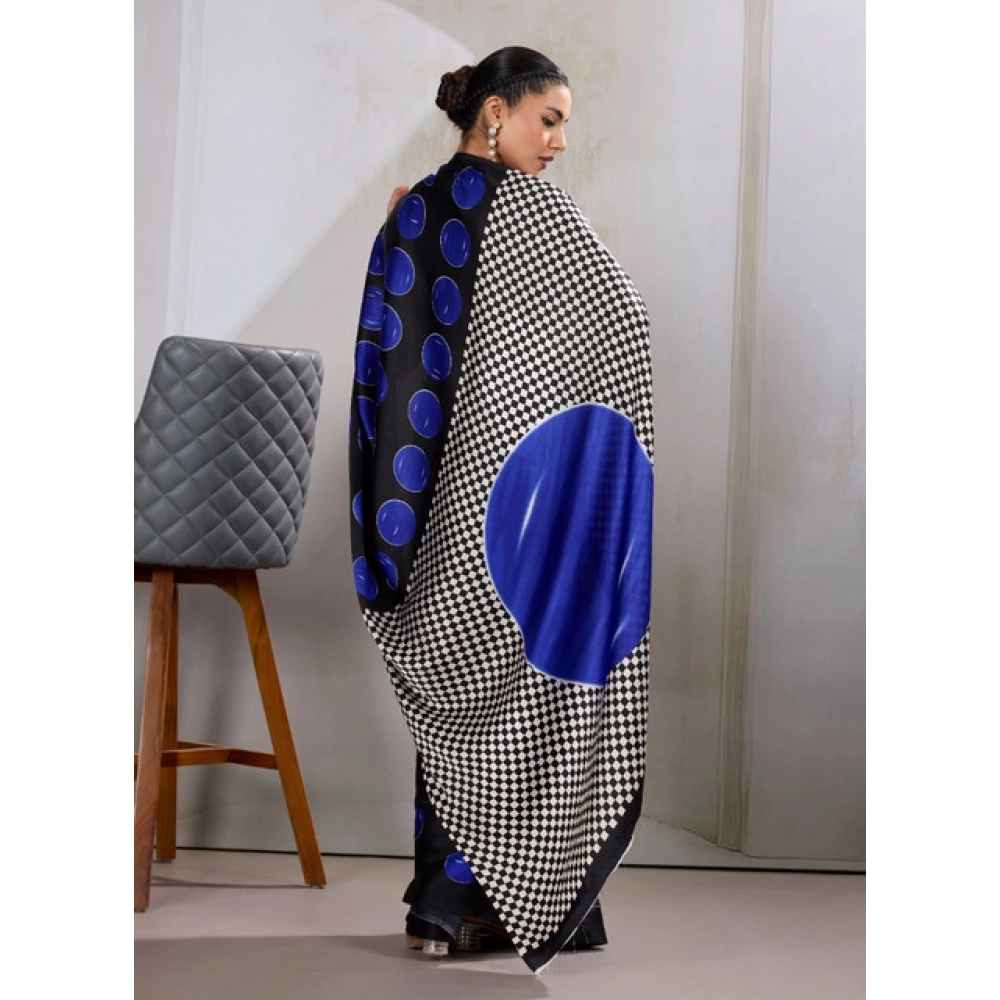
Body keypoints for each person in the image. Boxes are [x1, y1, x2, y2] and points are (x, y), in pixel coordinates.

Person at [348, 45, 654, 974]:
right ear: (495, 112)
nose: (558, 142)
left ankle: (444, 909)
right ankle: (507, 902)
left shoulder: (411, 212)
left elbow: (391, 369)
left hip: (432, 509)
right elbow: (625, 325)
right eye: (547, 119)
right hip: (519, 509)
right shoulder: (536, 214)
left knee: (464, 694)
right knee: (526, 687)